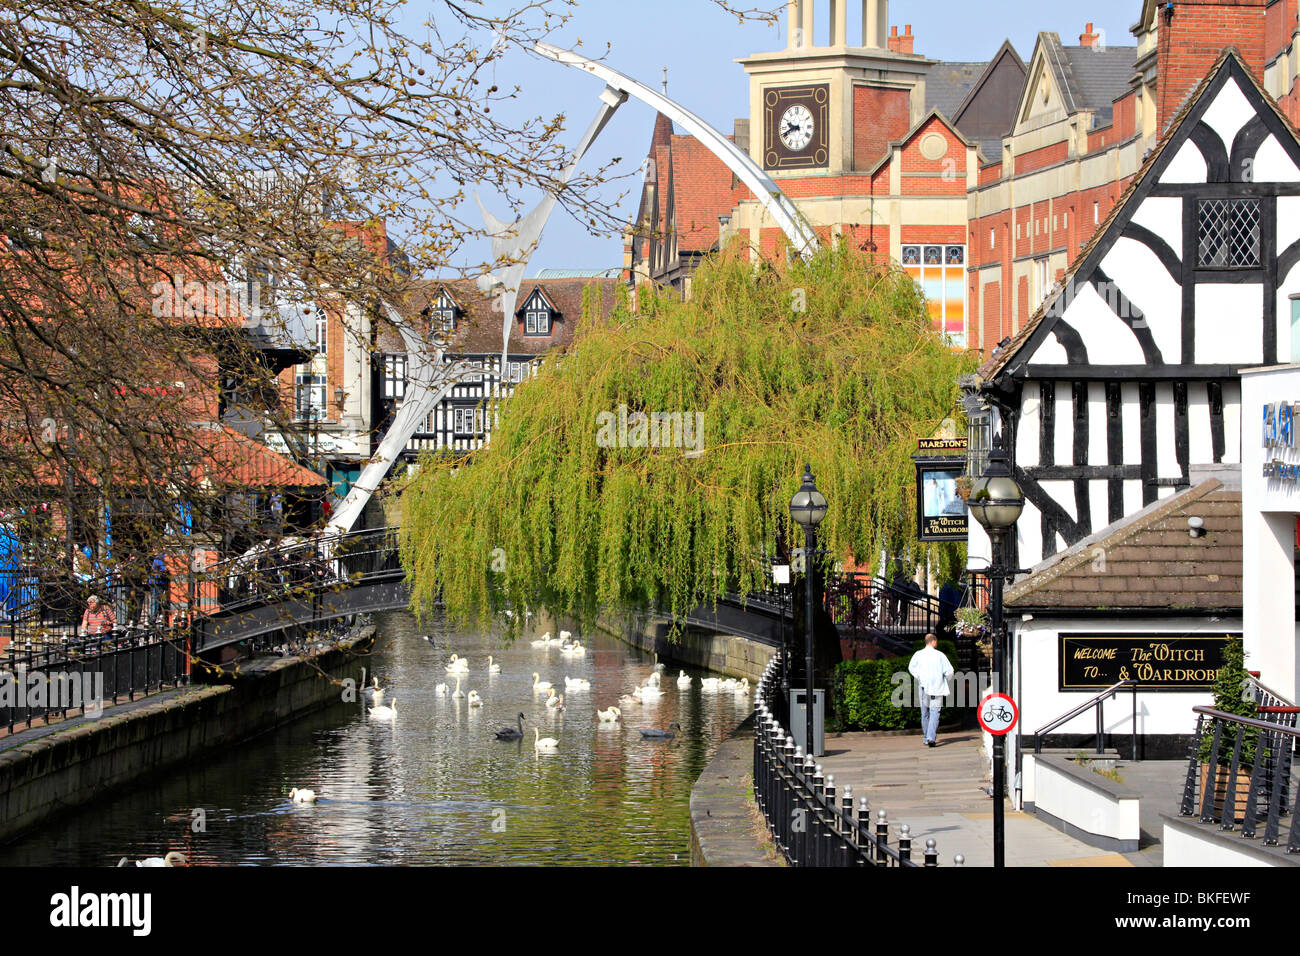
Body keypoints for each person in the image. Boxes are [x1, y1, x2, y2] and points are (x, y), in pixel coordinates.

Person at [908, 632, 954, 748]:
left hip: (923, 686)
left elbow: (911, 668)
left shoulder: (918, 654)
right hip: (937, 687)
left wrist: (920, 677)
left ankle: (926, 737)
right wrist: (945, 680)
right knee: (935, 712)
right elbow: (949, 672)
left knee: (925, 712)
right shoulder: (940, 655)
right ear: (933, 641)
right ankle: (930, 737)